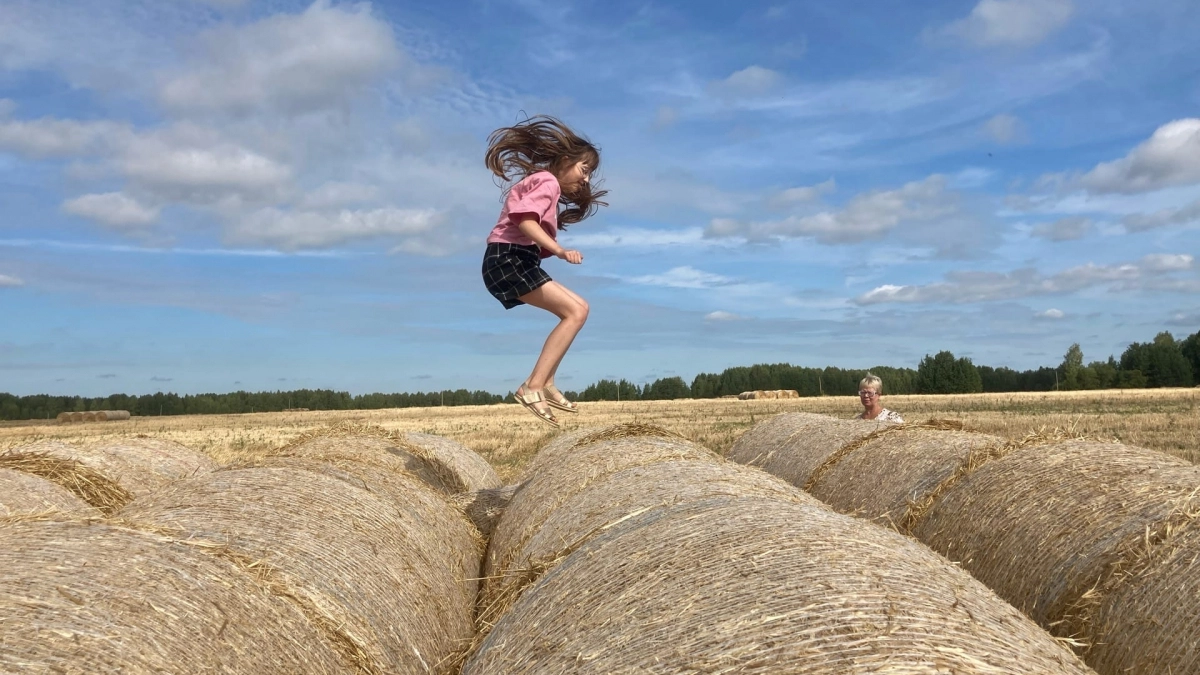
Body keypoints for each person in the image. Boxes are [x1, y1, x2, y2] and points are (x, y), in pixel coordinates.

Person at [482, 116, 608, 427]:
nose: (587, 180)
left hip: (514, 259)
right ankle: (533, 387)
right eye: (585, 169)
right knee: (574, 313)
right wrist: (560, 250)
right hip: (507, 259)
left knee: (580, 309)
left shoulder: (543, 183)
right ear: (565, 161)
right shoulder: (548, 181)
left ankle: (546, 383)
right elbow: (523, 221)